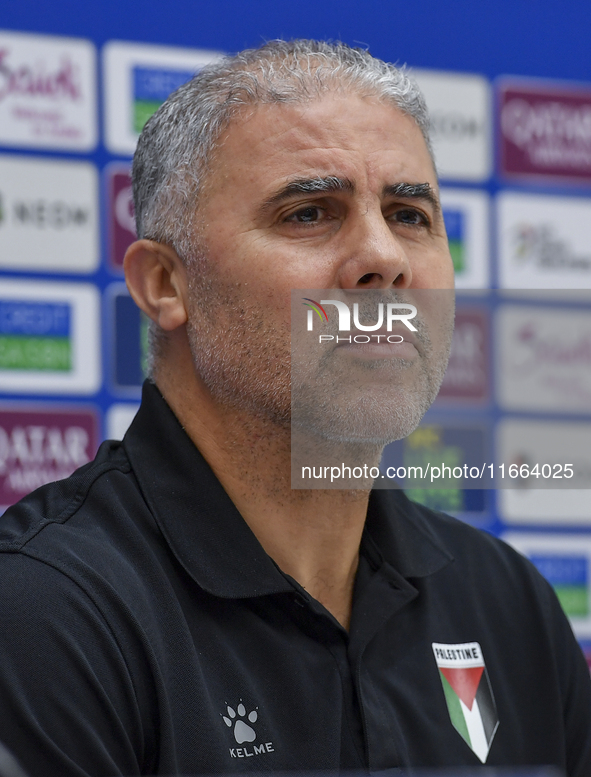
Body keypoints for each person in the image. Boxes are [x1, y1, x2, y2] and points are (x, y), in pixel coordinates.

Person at [0, 39, 589, 777]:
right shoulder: (41, 612)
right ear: (164, 284)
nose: (384, 257)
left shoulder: (509, 603)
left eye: (409, 214)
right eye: (309, 212)